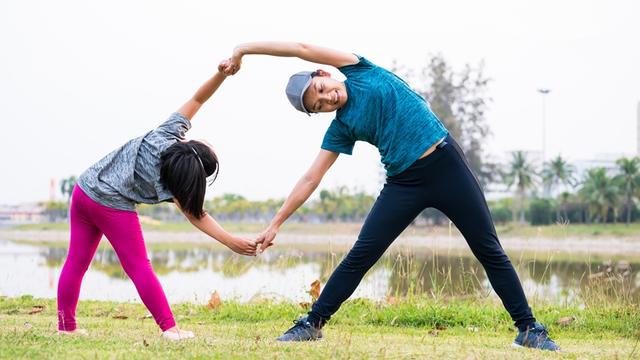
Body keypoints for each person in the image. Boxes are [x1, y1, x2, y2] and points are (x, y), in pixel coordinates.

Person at [220, 41, 560, 351]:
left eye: (322, 90)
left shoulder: (359, 69)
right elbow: (312, 177)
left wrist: (243, 49)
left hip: (447, 164)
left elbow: (300, 48)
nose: (327, 99)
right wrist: (276, 223)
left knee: (489, 249)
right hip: (404, 182)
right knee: (361, 254)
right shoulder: (342, 126)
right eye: (319, 105)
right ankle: (312, 323)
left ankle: (528, 329)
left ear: (324, 74)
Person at [57, 64, 259, 341]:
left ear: (190, 144)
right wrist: (231, 241)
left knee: (76, 262)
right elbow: (197, 215)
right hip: (111, 205)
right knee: (139, 266)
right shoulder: (174, 186)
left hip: (84, 190)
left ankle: (66, 327)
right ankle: (170, 329)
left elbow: (198, 99)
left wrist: (222, 74)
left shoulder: (165, 134)